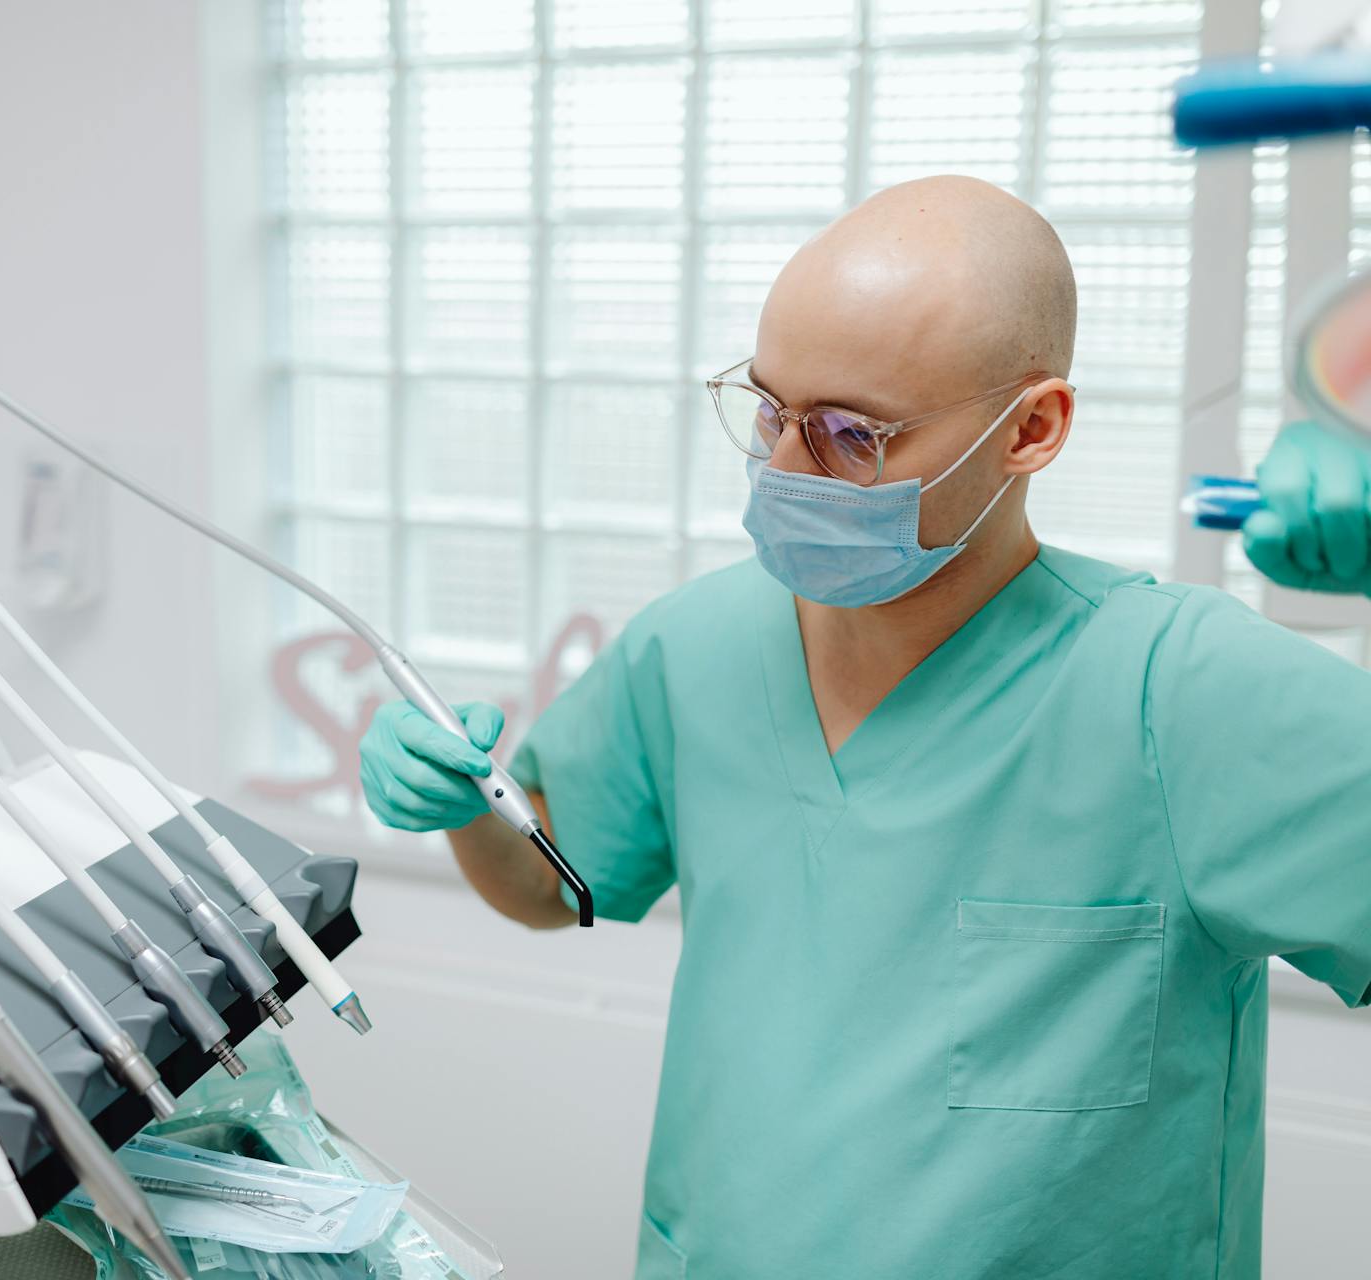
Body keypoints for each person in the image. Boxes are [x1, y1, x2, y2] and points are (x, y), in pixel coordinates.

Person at [358, 175, 1371, 1279]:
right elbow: (557, 880)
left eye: (851, 434)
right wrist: (467, 805)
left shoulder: (1185, 693)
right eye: (769, 410)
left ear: (1031, 428)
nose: (786, 469)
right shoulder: (695, 648)